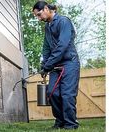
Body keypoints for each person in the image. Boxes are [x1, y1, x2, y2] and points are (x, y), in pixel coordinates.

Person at [33, 1, 80, 130]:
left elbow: (62, 46)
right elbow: (46, 47)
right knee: (52, 92)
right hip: (55, 64)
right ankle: (60, 122)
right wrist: (44, 65)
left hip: (69, 62)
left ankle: (70, 124)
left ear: (46, 8)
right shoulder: (47, 27)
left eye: (39, 14)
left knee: (67, 94)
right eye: (36, 16)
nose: (38, 18)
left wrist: (49, 64)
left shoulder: (63, 22)